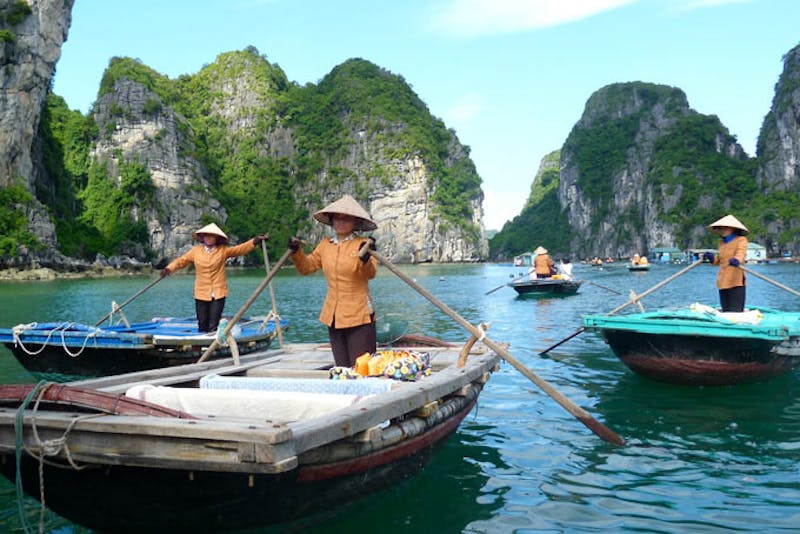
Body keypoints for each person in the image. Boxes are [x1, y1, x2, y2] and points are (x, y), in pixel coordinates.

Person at [287, 195, 378, 367]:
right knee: (342, 368)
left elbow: (370, 274)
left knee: (362, 367)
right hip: (333, 314)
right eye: (337, 217)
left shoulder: (363, 244)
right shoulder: (325, 245)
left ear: (355, 222)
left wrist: (365, 258)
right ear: (332, 220)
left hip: (359, 314)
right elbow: (306, 267)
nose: (341, 222)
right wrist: (296, 252)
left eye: (347, 218)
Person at [160, 223, 268, 332]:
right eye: (206, 236)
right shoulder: (196, 251)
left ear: (216, 238)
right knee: (202, 322)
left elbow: (239, 249)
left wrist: (255, 241)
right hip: (201, 292)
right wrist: (168, 269)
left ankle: (213, 344)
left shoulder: (223, 250)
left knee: (213, 323)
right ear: (203, 237)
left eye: (211, 236)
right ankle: (201, 345)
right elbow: (181, 261)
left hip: (218, 292)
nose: (208, 238)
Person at [708, 214, 748, 312]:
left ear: (732, 228)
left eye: (724, 228)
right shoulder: (722, 243)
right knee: (725, 310)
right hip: (723, 281)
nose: (722, 230)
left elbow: (741, 253)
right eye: (720, 228)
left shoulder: (741, 240)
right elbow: (718, 260)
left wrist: (736, 260)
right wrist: (711, 258)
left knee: (735, 311)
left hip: (736, 281)